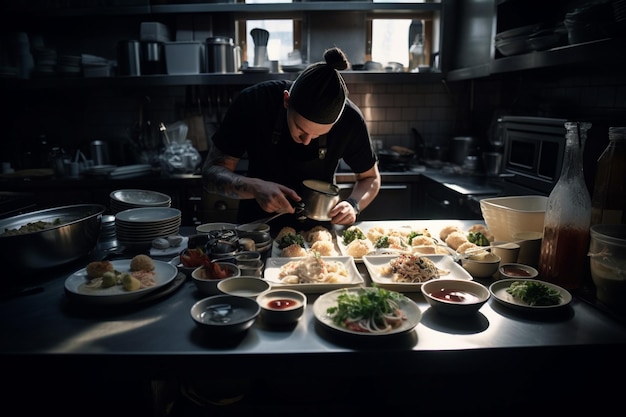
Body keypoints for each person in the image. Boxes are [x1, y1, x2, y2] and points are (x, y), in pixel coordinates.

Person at [202, 47, 380, 234]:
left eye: (317, 135)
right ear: (286, 100)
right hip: (257, 233)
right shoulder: (254, 102)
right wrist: (255, 187)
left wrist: (353, 204)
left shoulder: (351, 120)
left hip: (318, 236)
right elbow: (211, 174)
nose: (306, 141)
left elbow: (371, 178)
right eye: (301, 130)